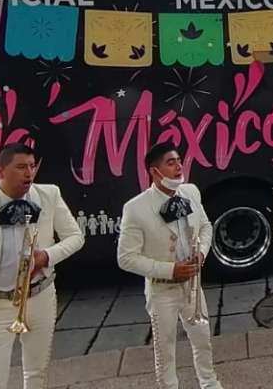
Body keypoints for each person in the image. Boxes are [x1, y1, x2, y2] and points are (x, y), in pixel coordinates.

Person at [0, 143, 84, 389]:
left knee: (37, 374)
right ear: (0, 171)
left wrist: (46, 256)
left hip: (40, 296)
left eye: (32, 167)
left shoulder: (49, 195)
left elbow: (76, 237)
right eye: (21, 167)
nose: (29, 173)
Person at [117, 143, 222, 389]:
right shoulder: (135, 207)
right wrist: (170, 270)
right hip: (162, 289)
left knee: (203, 340)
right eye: (171, 162)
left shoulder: (191, 191)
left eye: (179, 160)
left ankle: (210, 383)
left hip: (193, 285)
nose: (178, 167)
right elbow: (126, 258)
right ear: (155, 171)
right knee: (165, 350)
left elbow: (206, 226)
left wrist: (202, 254)